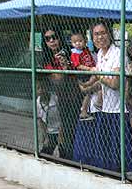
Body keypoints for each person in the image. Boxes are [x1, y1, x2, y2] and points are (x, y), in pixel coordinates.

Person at [77, 21, 132, 173]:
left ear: (109, 34)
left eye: (103, 33)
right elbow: (101, 82)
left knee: (122, 159)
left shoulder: (117, 54)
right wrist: (87, 87)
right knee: (106, 157)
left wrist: (96, 74)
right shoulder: (100, 54)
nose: (100, 37)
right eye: (96, 34)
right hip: (105, 111)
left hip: (119, 112)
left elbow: (115, 83)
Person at [41, 27, 82, 160]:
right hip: (59, 98)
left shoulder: (71, 53)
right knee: (60, 132)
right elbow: (57, 79)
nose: (52, 41)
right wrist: (64, 68)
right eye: (48, 39)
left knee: (73, 132)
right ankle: (59, 156)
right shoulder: (47, 60)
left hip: (76, 96)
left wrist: (68, 65)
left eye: (54, 37)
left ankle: (68, 157)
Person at [70, 31, 100, 121]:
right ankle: (84, 110)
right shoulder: (75, 53)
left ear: (85, 41)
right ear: (72, 43)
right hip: (83, 74)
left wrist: (94, 67)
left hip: (90, 72)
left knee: (97, 87)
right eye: (75, 42)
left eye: (80, 41)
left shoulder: (86, 50)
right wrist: (89, 69)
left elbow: (91, 60)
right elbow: (78, 65)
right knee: (88, 93)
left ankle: (96, 103)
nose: (78, 44)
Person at [36, 75, 60, 156]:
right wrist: (45, 136)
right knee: (44, 154)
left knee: (64, 153)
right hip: (50, 132)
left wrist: (61, 134)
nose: (41, 90)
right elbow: (40, 120)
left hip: (60, 130)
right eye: (38, 88)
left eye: (43, 87)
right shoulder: (37, 102)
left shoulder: (55, 98)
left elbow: (64, 117)